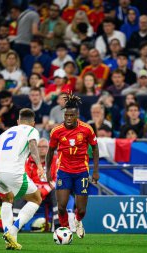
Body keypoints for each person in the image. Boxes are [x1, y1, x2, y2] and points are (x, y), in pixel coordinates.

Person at [0, 108, 43, 250]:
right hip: (13, 172)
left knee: (7, 199)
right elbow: (33, 145)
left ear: (18, 121)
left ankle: (9, 240)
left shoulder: (4, 133)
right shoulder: (31, 130)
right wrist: (39, 165)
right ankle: (12, 230)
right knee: (36, 199)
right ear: (33, 123)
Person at [46, 94, 100, 239]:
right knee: (62, 206)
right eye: (66, 115)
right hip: (64, 170)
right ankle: (66, 229)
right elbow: (50, 151)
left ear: (77, 115)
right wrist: (47, 171)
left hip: (81, 171)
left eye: (71, 115)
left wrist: (95, 170)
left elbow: (95, 149)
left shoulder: (87, 129)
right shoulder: (56, 131)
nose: (68, 118)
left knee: (81, 210)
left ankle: (78, 220)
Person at [13, 138, 59, 231]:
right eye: (39, 147)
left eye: (45, 146)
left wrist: (43, 190)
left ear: (49, 148)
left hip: (49, 190)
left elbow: (56, 179)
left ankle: (58, 224)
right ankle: (16, 224)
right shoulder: (28, 161)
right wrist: (35, 190)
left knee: (57, 192)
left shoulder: (55, 160)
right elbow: (25, 178)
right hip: (32, 190)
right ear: (35, 149)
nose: (42, 149)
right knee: (20, 191)